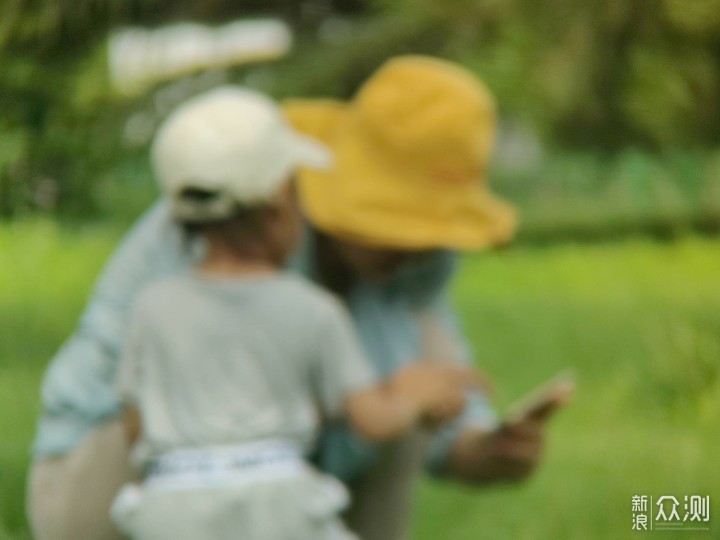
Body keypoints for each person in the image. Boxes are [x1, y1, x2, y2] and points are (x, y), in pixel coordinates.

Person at [28, 56, 558, 540]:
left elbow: (430, 363)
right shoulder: (221, 212)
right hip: (128, 467)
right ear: (281, 203)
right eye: (398, 223)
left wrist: (477, 448)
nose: (416, 246)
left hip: (272, 483)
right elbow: (185, 409)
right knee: (394, 395)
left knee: (410, 381)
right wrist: (386, 399)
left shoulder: (416, 260)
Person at [109, 87, 474, 540]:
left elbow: (134, 423)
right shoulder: (313, 309)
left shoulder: (151, 305)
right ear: (281, 206)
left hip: (171, 506)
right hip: (280, 504)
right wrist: (411, 397)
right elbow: (370, 419)